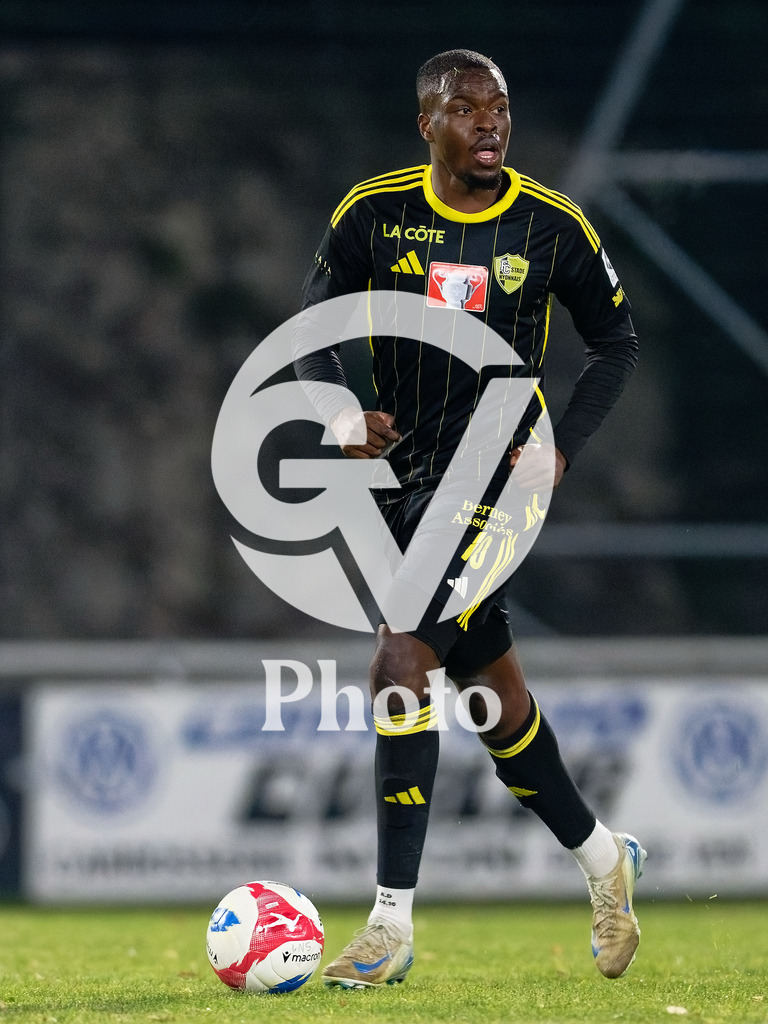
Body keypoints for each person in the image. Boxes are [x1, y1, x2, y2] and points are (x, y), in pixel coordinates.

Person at [294, 48, 645, 988]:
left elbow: (615, 342)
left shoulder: (552, 225)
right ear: (428, 124)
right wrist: (340, 416)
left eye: (500, 107)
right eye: (466, 107)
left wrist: (561, 449)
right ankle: (604, 858)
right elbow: (312, 337)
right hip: (405, 486)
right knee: (495, 702)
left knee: (399, 661)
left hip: (502, 476)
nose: (489, 122)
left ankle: (390, 926)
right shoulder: (373, 214)